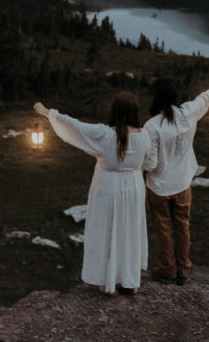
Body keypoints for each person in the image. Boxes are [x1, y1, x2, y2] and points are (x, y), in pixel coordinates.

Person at [33, 92, 156, 296]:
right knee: (129, 232)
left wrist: (48, 113)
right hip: (134, 187)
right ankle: (130, 282)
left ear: (114, 111)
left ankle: (107, 284)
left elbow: (75, 126)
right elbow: (148, 161)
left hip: (108, 186)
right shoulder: (144, 136)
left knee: (107, 231)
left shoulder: (105, 134)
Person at [143, 77, 209, 285]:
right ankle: (183, 269)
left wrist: (140, 165)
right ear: (175, 97)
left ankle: (167, 269)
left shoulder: (152, 126)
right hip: (183, 184)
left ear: (156, 99)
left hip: (159, 187)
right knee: (183, 226)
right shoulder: (188, 112)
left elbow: (152, 164)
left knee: (163, 228)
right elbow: (206, 97)